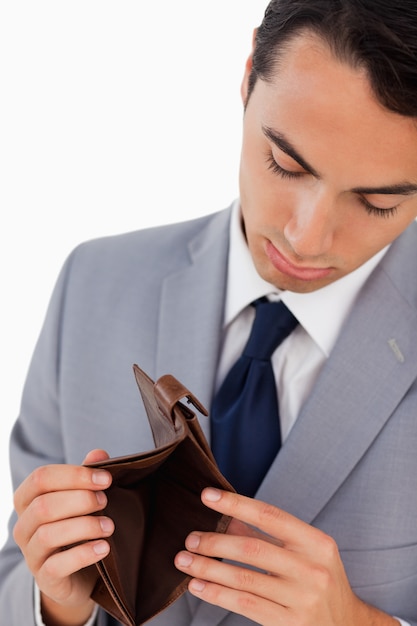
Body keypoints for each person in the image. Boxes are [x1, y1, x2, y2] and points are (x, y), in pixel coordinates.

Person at [1, 0, 417, 624]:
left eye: (378, 201)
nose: (307, 238)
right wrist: (56, 601)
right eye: (286, 163)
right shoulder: (94, 283)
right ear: (248, 73)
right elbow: (16, 573)